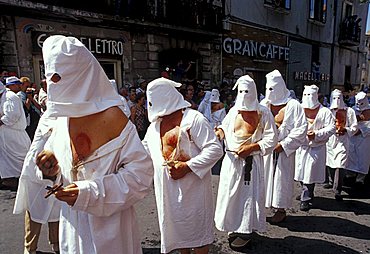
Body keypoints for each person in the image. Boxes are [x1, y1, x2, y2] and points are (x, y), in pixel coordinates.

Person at [35, 35, 154, 253]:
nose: (53, 84)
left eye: (59, 77)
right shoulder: (62, 118)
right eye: (50, 77)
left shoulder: (113, 117)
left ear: (81, 75)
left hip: (111, 231)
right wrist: (51, 170)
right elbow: (61, 168)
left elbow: (141, 177)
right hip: (73, 227)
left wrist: (89, 193)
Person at [142, 77, 223, 254]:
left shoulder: (194, 120)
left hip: (194, 192)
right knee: (178, 235)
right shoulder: (154, 127)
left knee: (198, 236)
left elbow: (215, 149)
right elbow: (143, 151)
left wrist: (187, 166)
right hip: (167, 193)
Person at [214, 75, 277, 250]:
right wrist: (219, 131)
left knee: (248, 198)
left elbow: (272, 138)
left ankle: (245, 231)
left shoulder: (264, 113)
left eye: (246, 91)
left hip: (251, 164)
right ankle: (233, 227)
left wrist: (252, 147)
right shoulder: (234, 111)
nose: (243, 94)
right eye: (240, 91)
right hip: (232, 164)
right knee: (231, 196)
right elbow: (224, 127)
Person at [261, 70, 307, 223]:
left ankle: (280, 210)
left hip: (283, 151)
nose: (270, 92)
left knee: (282, 180)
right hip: (266, 150)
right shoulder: (264, 104)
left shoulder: (294, 106)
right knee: (263, 178)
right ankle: (262, 206)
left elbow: (301, 129)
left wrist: (284, 145)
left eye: (273, 89)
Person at [13, 111, 61, 254]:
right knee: (35, 211)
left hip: (57, 171)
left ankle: (56, 243)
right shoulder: (51, 115)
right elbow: (53, 132)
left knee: (56, 211)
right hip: (37, 172)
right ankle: (30, 248)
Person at [294, 85, 335, 211]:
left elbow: (331, 127)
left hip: (316, 148)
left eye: (311, 95)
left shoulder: (325, 112)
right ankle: (306, 191)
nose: (308, 98)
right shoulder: (299, 109)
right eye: (306, 95)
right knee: (301, 172)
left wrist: (316, 134)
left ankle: (305, 198)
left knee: (310, 172)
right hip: (301, 147)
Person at [326, 89, 357, 201]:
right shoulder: (328, 112)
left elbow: (354, 127)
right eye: (334, 98)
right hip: (331, 141)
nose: (337, 100)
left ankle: (337, 189)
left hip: (343, 142)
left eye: (339, 98)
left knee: (340, 164)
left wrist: (346, 129)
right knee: (331, 163)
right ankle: (331, 180)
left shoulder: (349, 112)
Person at [0, 80, 31, 190]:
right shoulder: (3, 97)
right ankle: (10, 179)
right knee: (8, 159)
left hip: (14, 134)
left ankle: (26, 179)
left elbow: (12, 115)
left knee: (20, 156)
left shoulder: (10, 96)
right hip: (6, 135)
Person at [347, 92, 370, 187]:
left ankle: (360, 179)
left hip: (365, 139)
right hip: (353, 138)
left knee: (363, 158)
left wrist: (362, 130)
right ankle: (350, 175)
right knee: (351, 156)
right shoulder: (352, 110)